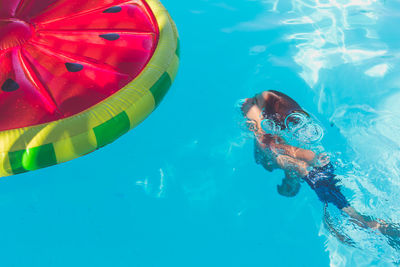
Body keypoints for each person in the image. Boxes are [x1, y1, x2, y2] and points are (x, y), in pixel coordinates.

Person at [241, 90, 400, 239]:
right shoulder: (274, 108)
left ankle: (375, 226)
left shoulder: (265, 130)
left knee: (353, 215)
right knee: (347, 208)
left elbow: (297, 159)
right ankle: (379, 227)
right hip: (318, 166)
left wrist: (294, 174)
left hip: (315, 171)